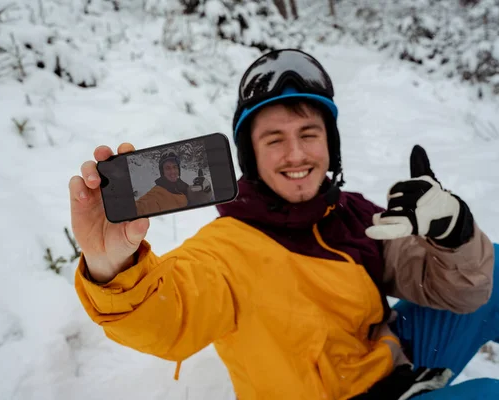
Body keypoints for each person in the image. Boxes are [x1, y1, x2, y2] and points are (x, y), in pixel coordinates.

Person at [69, 49, 499, 399]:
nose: (296, 154)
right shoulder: (227, 247)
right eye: (274, 140)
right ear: (251, 157)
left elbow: (461, 289)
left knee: (493, 263)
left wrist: (453, 235)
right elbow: (171, 316)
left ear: (331, 146)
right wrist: (113, 269)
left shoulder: (353, 213)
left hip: (387, 367)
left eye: (309, 134)